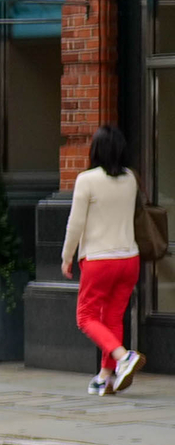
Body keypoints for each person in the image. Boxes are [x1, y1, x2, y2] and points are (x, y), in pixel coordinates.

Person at [63, 124, 144, 395]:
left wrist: (67, 256)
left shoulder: (87, 179)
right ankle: (105, 378)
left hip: (100, 260)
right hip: (129, 259)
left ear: (95, 149)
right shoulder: (131, 178)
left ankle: (124, 357)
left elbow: (75, 224)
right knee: (112, 318)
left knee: (85, 317)